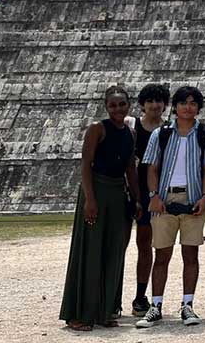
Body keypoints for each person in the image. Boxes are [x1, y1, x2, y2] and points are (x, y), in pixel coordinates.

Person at [135, 86, 205, 328]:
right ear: (176, 106)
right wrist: (153, 195)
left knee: (190, 255)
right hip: (164, 199)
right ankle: (156, 306)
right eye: (183, 102)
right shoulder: (160, 134)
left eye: (193, 103)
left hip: (193, 198)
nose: (188, 107)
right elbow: (151, 168)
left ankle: (187, 305)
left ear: (198, 108)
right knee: (161, 255)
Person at [60, 86, 141, 331]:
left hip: (117, 193)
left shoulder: (130, 132)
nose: (118, 108)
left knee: (114, 251)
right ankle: (78, 313)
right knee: (90, 250)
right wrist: (90, 199)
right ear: (106, 107)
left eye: (122, 104)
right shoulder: (98, 128)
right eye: (113, 105)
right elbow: (86, 163)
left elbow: (130, 168)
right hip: (96, 189)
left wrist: (136, 199)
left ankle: (105, 311)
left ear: (129, 105)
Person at [128, 83, 169, 318]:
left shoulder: (169, 129)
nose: (154, 105)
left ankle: (143, 295)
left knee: (157, 245)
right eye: (150, 101)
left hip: (158, 191)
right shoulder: (132, 126)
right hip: (135, 190)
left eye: (159, 101)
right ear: (142, 104)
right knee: (141, 244)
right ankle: (135, 295)